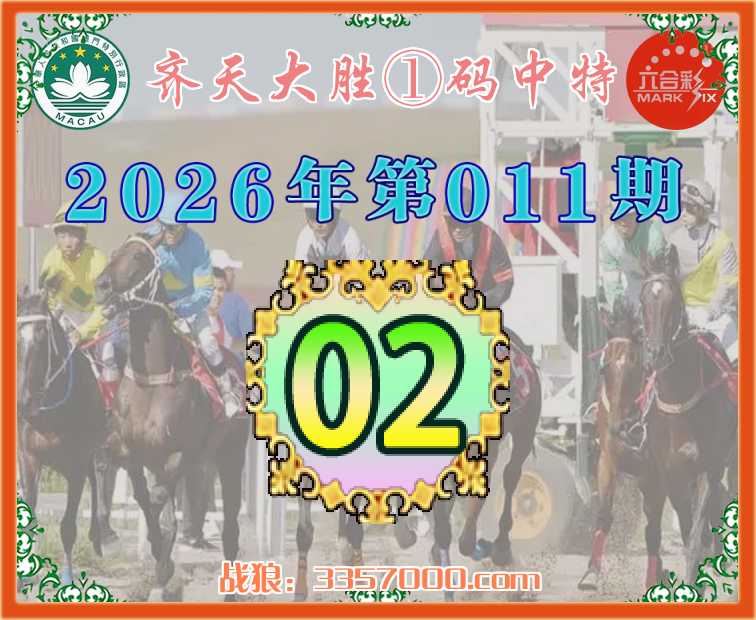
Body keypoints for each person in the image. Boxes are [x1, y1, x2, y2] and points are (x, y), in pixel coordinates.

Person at [143, 194, 242, 419]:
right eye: (163, 226)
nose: (167, 232)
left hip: (189, 310)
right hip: (155, 309)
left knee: (208, 344)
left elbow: (205, 292)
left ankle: (227, 391)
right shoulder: (149, 237)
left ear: (185, 224)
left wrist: (180, 310)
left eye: (173, 227)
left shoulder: (197, 246)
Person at [39, 206, 121, 399]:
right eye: (62, 236)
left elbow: (103, 308)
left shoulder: (98, 260)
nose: (67, 243)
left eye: (73, 236)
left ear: (83, 237)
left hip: (101, 315)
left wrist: (82, 332)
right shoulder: (51, 260)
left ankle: (111, 406)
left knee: (108, 359)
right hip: (70, 313)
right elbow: (49, 302)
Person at [668, 179, 738, 361]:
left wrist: (709, 311)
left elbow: (728, 284)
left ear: (703, 210)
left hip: (718, 317)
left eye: (689, 208)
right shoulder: (674, 240)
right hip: (682, 315)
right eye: (681, 206)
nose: (683, 213)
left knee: (739, 358)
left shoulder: (723, 242)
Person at [424, 189, 514, 308]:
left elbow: (505, 283)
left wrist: (480, 300)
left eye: (462, 222)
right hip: (450, 308)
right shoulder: (441, 236)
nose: (457, 229)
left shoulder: (490, 239)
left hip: (483, 307)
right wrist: (441, 285)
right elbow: (426, 273)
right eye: (451, 222)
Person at [598, 211, 669, 313]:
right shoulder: (608, 243)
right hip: (632, 282)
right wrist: (618, 310)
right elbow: (612, 286)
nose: (623, 222)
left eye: (629, 216)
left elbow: (662, 281)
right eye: (619, 217)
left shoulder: (654, 237)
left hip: (657, 281)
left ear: (636, 215)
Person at [210, 250, 251, 357]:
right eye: (229, 270)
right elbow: (252, 341)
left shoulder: (195, 304)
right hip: (233, 362)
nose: (234, 275)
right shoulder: (238, 302)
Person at [294, 207, 369, 266]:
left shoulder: (350, 237)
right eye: (313, 217)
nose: (319, 224)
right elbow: (299, 276)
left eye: (325, 216)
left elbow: (360, 274)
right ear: (308, 220)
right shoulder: (305, 237)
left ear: (335, 217)